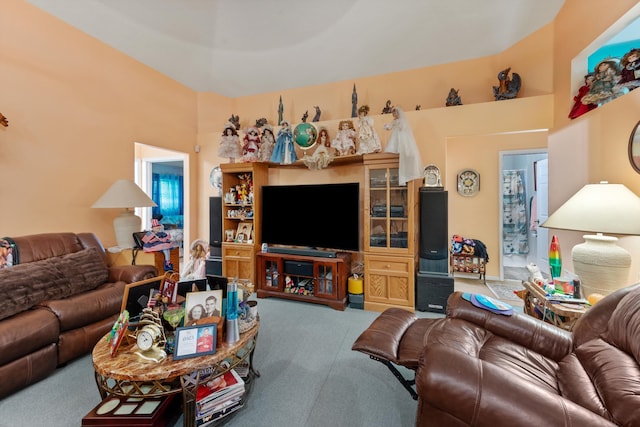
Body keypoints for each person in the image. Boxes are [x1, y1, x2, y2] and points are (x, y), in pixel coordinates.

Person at [383, 106, 423, 185]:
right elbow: (390, 126)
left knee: (402, 145)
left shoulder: (402, 121)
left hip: (400, 135)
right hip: (395, 134)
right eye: (393, 113)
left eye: (394, 113)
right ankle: (394, 151)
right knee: (393, 143)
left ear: (398, 113)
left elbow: (404, 127)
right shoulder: (394, 121)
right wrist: (386, 126)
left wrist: (400, 126)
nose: (393, 115)